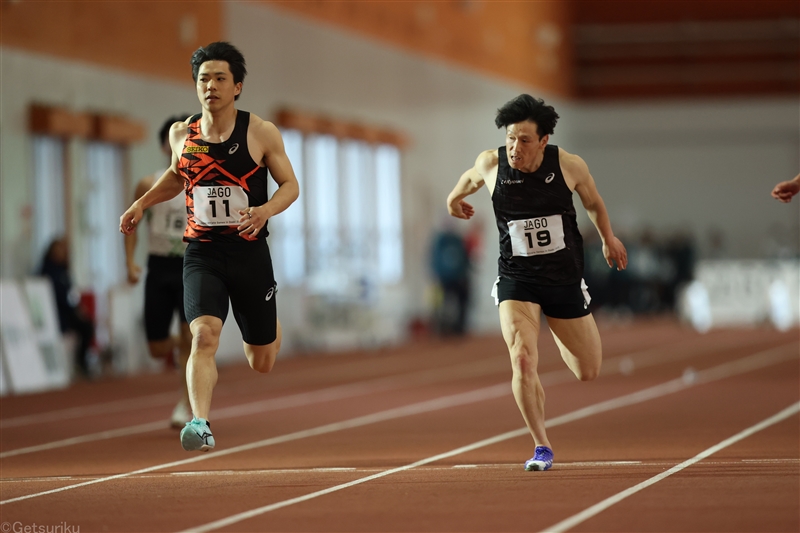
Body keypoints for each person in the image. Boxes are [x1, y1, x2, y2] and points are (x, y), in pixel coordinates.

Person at [119, 42, 300, 452]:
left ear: (237, 86)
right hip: (201, 252)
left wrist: (264, 210)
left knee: (262, 360)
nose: (211, 86)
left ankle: (268, 327)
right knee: (203, 336)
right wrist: (141, 204)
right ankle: (200, 422)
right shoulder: (182, 134)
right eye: (204, 79)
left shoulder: (260, 132)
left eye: (220, 78)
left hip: (249, 251)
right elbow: (174, 176)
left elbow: (291, 186)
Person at [446, 94, 627, 471]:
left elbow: (593, 202)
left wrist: (608, 238)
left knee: (588, 370)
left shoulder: (569, 165)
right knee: (523, 359)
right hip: (517, 278)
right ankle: (541, 445)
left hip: (563, 280)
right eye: (511, 138)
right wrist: (453, 198)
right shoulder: (492, 163)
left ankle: (561, 332)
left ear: (543, 140)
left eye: (525, 140)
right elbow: (469, 177)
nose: (515, 147)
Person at [124, 114, 192, 429]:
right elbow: (132, 223)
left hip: (190, 265)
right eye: (172, 139)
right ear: (165, 144)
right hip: (158, 266)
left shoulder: (199, 182)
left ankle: (186, 404)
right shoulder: (148, 183)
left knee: (191, 337)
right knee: (156, 348)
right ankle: (181, 342)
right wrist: (130, 262)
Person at [39, 237, 95, 378]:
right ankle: (79, 364)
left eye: (64, 250)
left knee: (88, 325)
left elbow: (70, 294)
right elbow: (59, 297)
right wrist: (74, 308)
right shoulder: (47, 271)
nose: (63, 253)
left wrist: (77, 307)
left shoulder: (64, 271)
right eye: (59, 249)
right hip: (56, 314)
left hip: (67, 312)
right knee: (85, 326)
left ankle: (81, 363)